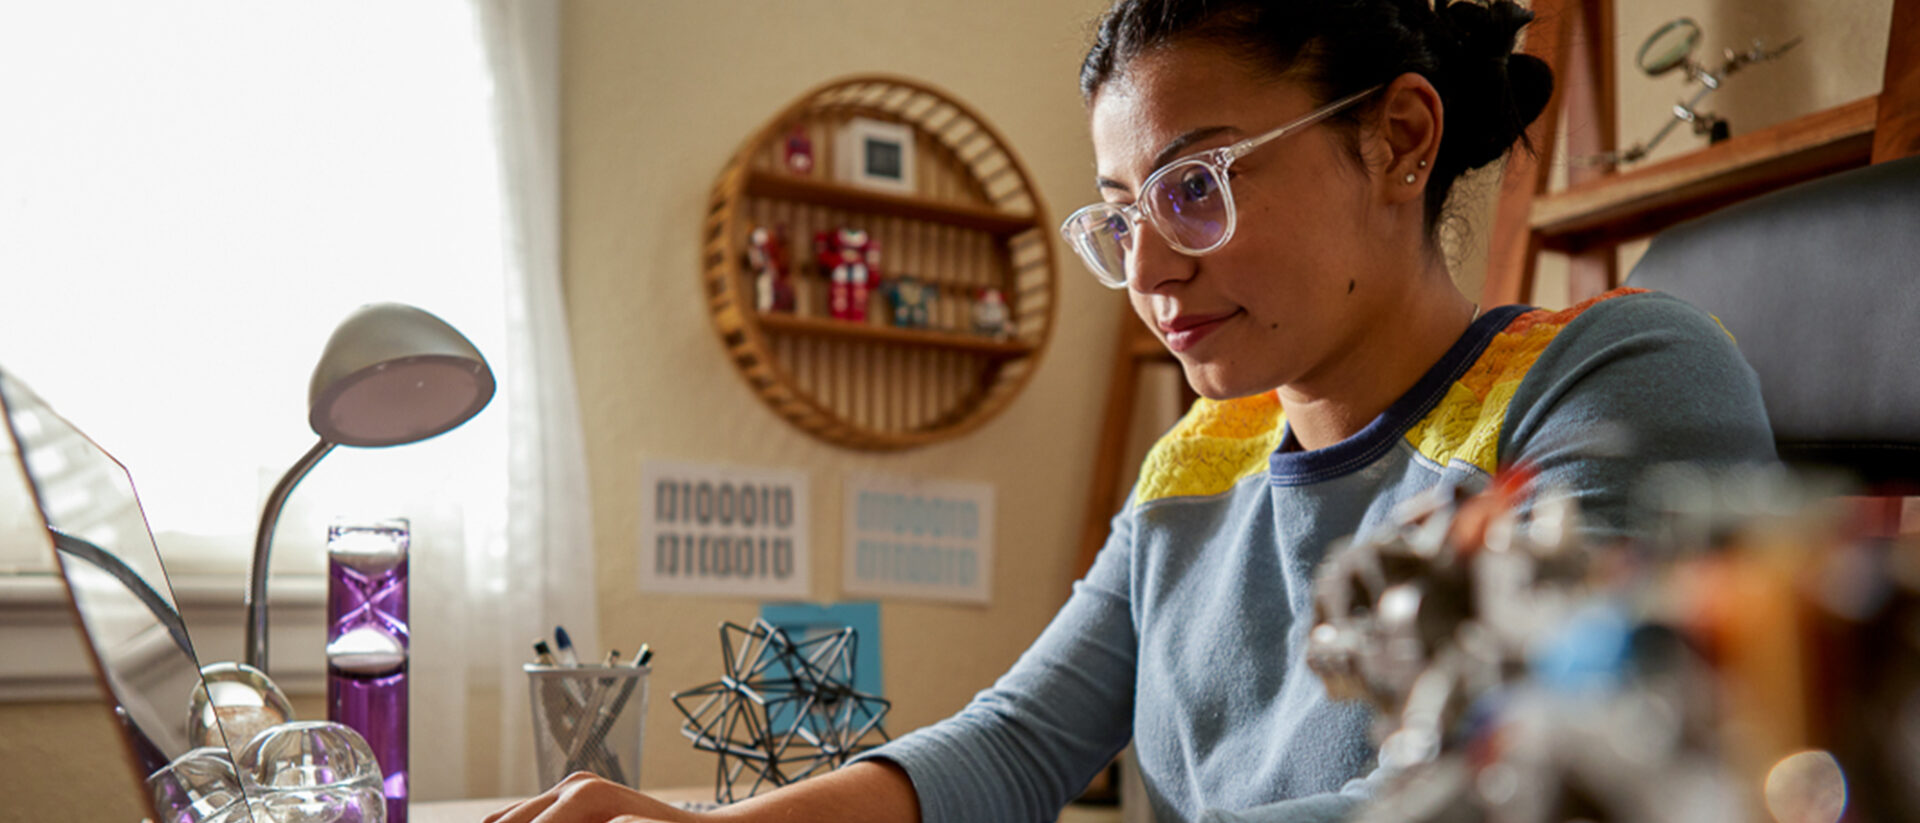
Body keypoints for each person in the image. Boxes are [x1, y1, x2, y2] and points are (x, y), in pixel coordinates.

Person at [486, 0, 1775, 821]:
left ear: (1397, 138)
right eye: (1121, 216)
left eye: (1196, 186)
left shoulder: (1613, 375)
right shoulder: (1200, 461)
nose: (1150, 271)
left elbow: (1518, 785)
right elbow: (1015, 746)